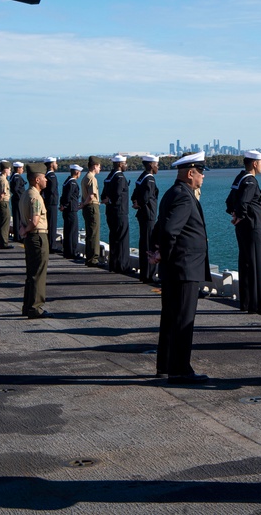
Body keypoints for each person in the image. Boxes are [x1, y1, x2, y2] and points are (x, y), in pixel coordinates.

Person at [148, 151, 211, 384]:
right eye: (201, 172)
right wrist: (162, 252)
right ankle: (180, 370)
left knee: (170, 318)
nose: (203, 177)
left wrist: (155, 250)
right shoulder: (184, 196)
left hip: (175, 268)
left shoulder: (172, 192)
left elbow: (159, 226)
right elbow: (169, 230)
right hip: (184, 268)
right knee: (183, 320)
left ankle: (165, 366)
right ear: (190, 172)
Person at [229, 150, 261, 313]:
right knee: (256, 264)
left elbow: (230, 201)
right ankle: (257, 304)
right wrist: (241, 215)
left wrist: (235, 215)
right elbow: (243, 201)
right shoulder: (250, 181)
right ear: (254, 163)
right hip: (252, 226)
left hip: (243, 226)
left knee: (245, 262)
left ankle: (246, 302)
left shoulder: (240, 177)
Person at [18, 162, 50, 318]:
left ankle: (28, 306)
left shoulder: (25, 194)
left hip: (30, 238)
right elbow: (35, 220)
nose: (46, 180)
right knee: (39, 273)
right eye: (44, 177)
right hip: (38, 236)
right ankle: (36, 307)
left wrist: (23, 230)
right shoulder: (35, 196)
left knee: (31, 273)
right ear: (37, 180)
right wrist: (27, 229)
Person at [132, 155, 160, 284]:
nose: (157, 167)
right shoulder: (150, 179)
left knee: (143, 242)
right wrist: (140, 203)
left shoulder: (141, 177)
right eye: (156, 164)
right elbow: (146, 196)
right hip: (148, 215)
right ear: (150, 165)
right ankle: (150, 274)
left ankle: (144, 273)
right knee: (149, 244)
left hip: (142, 214)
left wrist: (136, 202)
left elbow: (135, 194)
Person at [101, 154, 131, 274]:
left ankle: (113, 264)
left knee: (113, 238)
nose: (126, 165)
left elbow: (104, 195)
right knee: (122, 239)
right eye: (125, 163)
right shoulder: (120, 177)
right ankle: (122, 266)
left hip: (110, 212)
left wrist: (108, 200)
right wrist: (112, 200)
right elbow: (118, 194)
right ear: (120, 164)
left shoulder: (109, 177)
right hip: (120, 212)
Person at [81, 156, 102, 267]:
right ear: (94, 166)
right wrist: (84, 203)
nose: (100, 168)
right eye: (99, 166)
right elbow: (91, 195)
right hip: (92, 206)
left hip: (87, 208)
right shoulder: (91, 178)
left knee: (90, 233)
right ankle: (94, 259)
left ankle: (89, 257)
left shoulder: (85, 177)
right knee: (94, 233)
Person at [60, 164, 82, 259]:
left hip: (68, 209)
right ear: (77, 173)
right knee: (73, 231)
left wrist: (62, 205)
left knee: (68, 230)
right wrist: (65, 205)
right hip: (71, 209)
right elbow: (68, 196)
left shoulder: (67, 181)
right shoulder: (72, 183)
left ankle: (67, 251)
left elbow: (64, 196)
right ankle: (72, 252)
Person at [0, 161, 14, 249]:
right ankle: (4, 243)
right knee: (5, 223)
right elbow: (2, 194)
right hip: (3, 203)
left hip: (0, 203)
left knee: (1, 222)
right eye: (9, 169)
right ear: (5, 170)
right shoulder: (3, 180)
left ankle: (1, 242)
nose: (10, 171)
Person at [44, 157, 61, 254]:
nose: (57, 165)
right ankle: (52, 245)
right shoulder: (52, 176)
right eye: (55, 163)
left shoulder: (47, 175)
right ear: (51, 165)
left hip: (49, 202)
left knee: (50, 224)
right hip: (52, 203)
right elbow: (51, 190)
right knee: (52, 224)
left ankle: (50, 244)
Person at [9, 162, 27, 242]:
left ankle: (17, 235)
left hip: (16, 199)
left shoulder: (13, 176)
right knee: (18, 218)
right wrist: (21, 198)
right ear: (18, 168)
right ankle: (18, 236)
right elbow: (16, 189)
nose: (22, 170)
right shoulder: (17, 177)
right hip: (18, 199)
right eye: (21, 168)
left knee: (17, 218)